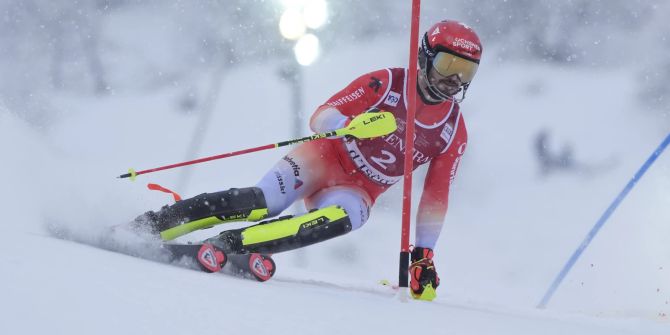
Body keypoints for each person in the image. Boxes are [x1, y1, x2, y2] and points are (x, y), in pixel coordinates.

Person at [132, 20, 483, 300]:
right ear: (424, 56)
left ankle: (228, 246)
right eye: (447, 64)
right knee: (262, 203)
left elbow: (436, 197)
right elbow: (321, 115)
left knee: (343, 219)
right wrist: (348, 126)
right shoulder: (387, 83)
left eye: (465, 72)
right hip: (324, 158)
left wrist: (423, 255)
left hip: (359, 189)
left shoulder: (453, 131)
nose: (454, 80)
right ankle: (149, 226)